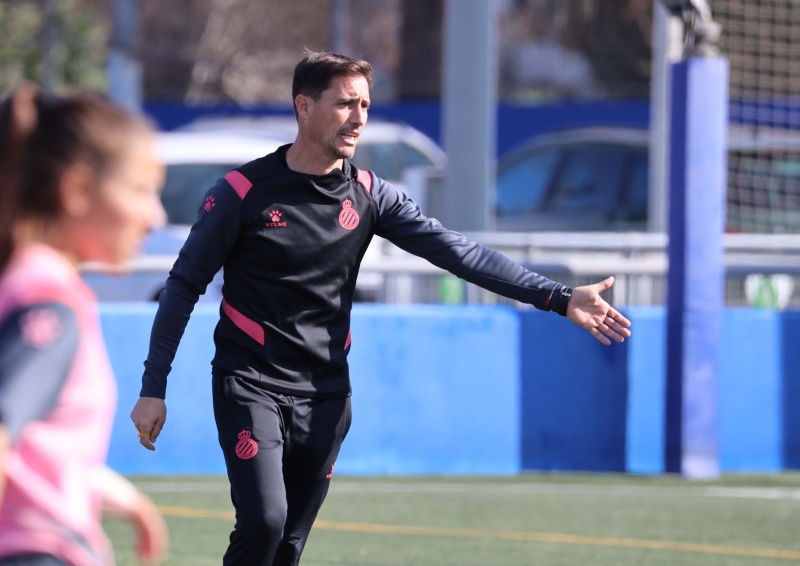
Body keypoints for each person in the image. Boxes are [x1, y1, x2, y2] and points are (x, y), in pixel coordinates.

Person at [131, 50, 632, 566]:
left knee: (289, 545)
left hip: (326, 393)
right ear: (304, 106)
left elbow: (458, 253)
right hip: (250, 382)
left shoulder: (370, 195)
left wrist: (557, 296)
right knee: (265, 521)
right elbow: (182, 286)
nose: (358, 118)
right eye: (345, 103)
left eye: (365, 105)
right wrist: (153, 388)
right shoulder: (241, 192)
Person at [0, 84, 169, 566]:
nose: (155, 217)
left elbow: (31, 447)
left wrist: (116, 494)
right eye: (139, 190)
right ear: (76, 191)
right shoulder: (48, 301)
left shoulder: (24, 280)